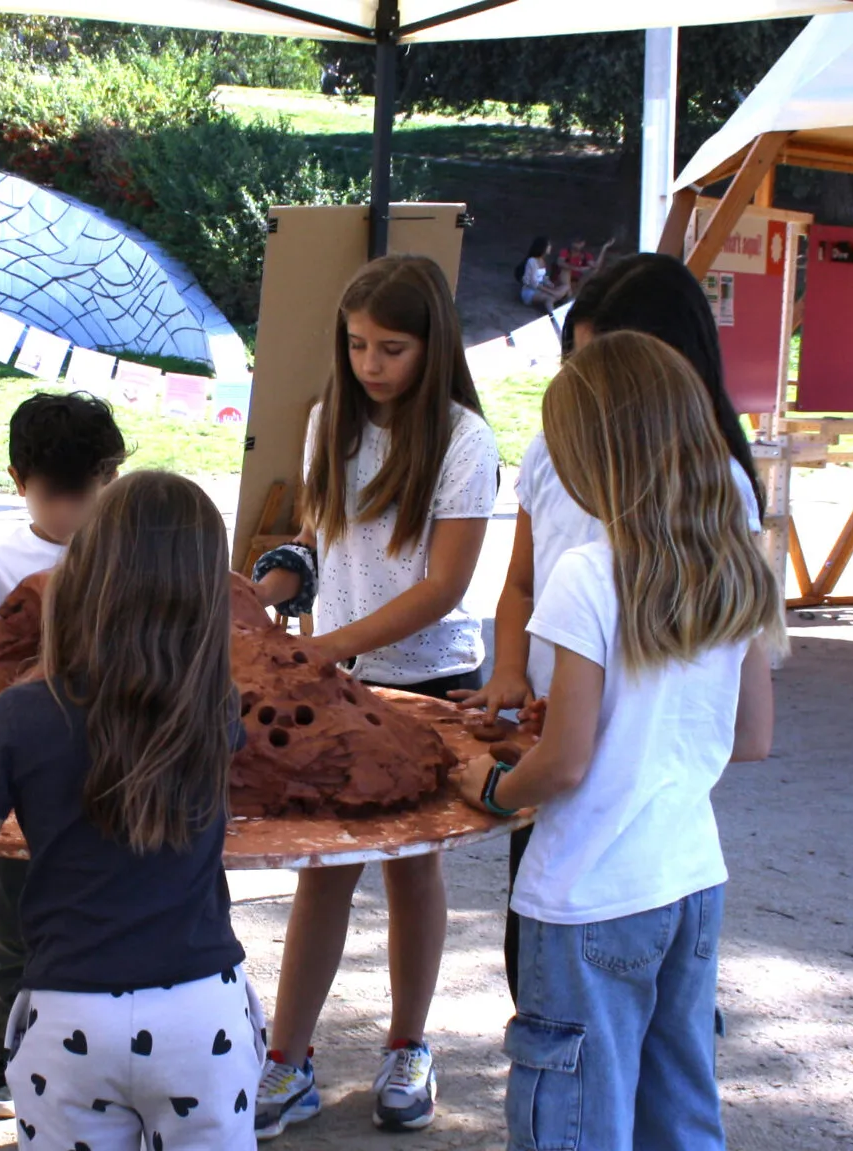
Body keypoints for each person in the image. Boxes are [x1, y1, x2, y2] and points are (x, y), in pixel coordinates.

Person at [0, 470, 262, 1151]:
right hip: (202, 1013)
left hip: (70, 1014)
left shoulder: (21, 715)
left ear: (81, 573)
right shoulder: (213, 706)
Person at [455, 329, 781, 1151]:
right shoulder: (735, 560)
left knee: (572, 1117)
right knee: (680, 1104)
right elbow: (751, 737)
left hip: (585, 894)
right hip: (690, 882)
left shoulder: (589, 573)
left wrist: (490, 787)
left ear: (590, 454)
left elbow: (563, 764)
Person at [249, 254, 500, 1137]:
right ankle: (286, 1061)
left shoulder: (467, 441)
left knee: (410, 869)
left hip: (430, 680)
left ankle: (408, 1047)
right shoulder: (331, 420)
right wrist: (274, 584)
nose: (370, 364)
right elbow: (320, 542)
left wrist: (329, 646)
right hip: (340, 678)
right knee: (322, 872)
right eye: (356, 345)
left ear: (435, 345)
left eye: (392, 348)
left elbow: (444, 588)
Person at [0, 389, 127, 1119]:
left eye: (85, 492)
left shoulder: (130, 549)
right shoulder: (7, 558)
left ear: (114, 475)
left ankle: (100, 1056)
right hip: (19, 785)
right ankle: (1, 1061)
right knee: (12, 923)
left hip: (114, 776)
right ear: (18, 482)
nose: (70, 514)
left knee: (104, 913)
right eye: (53, 494)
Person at [516, 237, 572, 311]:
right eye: (548, 246)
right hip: (531, 291)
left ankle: (566, 308)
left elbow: (544, 278)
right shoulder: (532, 261)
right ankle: (553, 317)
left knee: (566, 287)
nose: (550, 248)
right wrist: (551, 292)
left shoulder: (542, 260)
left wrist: (551, 285)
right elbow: (533, 283)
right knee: (550, 297)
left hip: (542, 288)